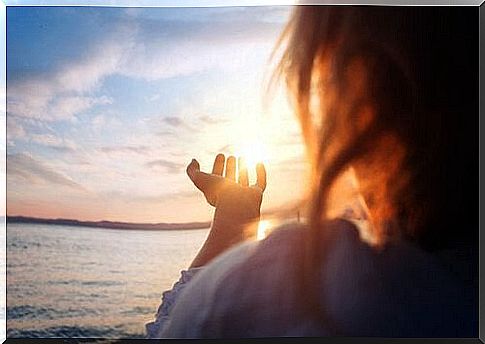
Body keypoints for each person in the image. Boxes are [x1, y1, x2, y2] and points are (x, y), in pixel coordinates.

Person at [146, 6, 478, 338]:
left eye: (324, 87)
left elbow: (171, 333)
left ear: (365, 105)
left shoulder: (278, 295)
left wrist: (230, 224)